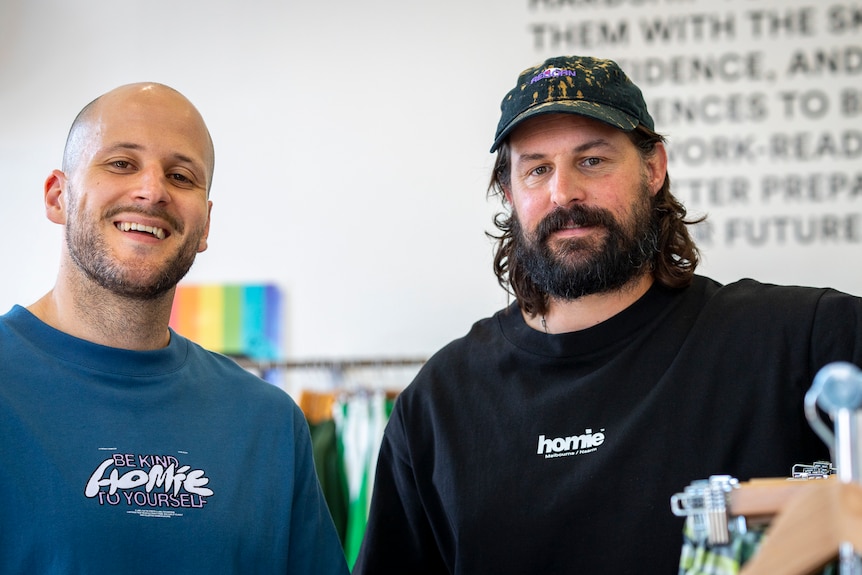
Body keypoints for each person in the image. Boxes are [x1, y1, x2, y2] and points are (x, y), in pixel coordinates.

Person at [353, 55, 862, 574]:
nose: (564, 192)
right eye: (537, 169)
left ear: (653, 168)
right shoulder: (438, 404)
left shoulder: (807, 341)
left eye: (592, 160)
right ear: (510, 193)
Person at [0, 83, 348, 574]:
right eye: (121, 163)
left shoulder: (269, 424)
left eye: (181, 176)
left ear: (204, 225)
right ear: (58, 196)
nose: (153, 190)